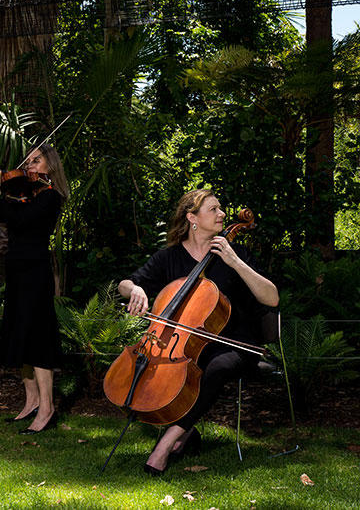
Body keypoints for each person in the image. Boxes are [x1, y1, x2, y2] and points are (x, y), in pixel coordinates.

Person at [118, 188, 279, 476]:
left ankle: (166, 442)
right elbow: (125, 284)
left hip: (236, 344)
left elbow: (272, 298)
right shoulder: (169, 258)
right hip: (187, 345)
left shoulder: (235, 253)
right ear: (192, 218)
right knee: (183, 369)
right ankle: (186, 432)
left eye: (221, 209)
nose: (222, 214)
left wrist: (234, 262)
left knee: (215, 368)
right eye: (214, 209)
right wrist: (136, 289)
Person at [0, 142, 70, 434]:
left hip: (35, 271)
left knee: (38, 337)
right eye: (27, 161)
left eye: (36, 161)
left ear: (50, 166)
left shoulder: (51, 197)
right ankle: (31, 401)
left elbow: (21, 220)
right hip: (16, 270)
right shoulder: (23, 194)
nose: (29, 166)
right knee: (20, 333)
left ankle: (47, 408)